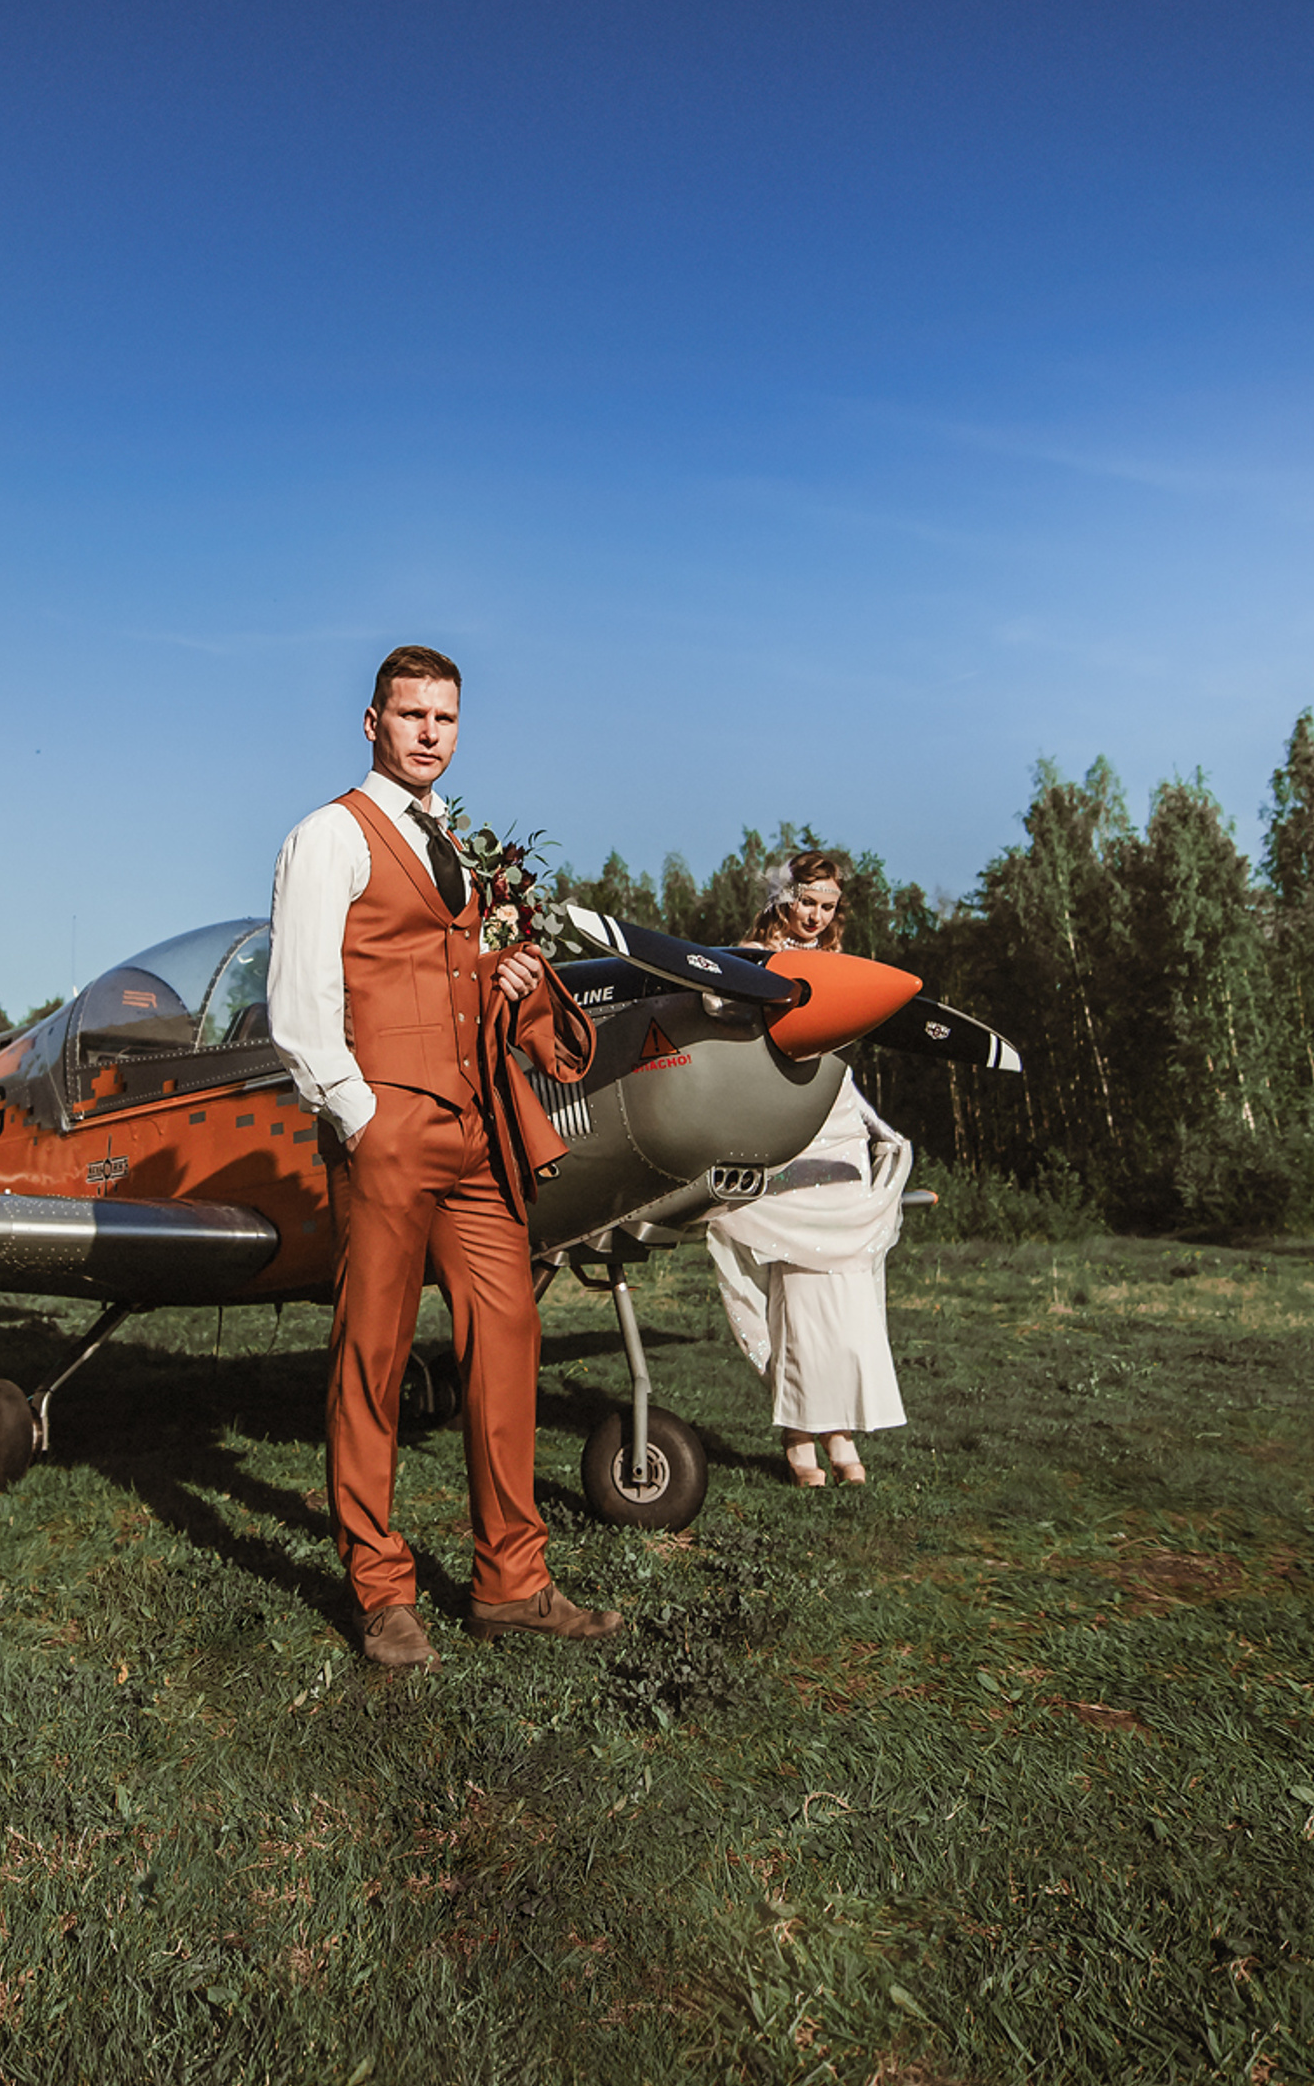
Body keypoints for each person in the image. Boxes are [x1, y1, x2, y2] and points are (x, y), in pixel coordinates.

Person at [268, 644, 620, 1670]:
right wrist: (357, 1113)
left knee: (508, 1336)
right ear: (371, 722)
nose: (429, 732)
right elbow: (299, 1003)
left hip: (474, 1128)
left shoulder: (446, 843)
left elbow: (432, 967)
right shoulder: (329, 832)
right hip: (385, 1130)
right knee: (371, 1358)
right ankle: (380, 1590)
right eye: (411, 713)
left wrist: (498, 971)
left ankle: (512, 1583)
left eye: (446, 718)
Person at [705, 850, 913, 1489]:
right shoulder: (748, 956)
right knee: (798, 1287)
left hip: (838, 1120)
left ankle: (842, 1430)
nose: (816, 918)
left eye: (827, 908)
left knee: (846, 1289)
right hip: (782, 1120)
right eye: (807, 903)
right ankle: (800, 1436)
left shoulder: (839, 966)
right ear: (782, 899)